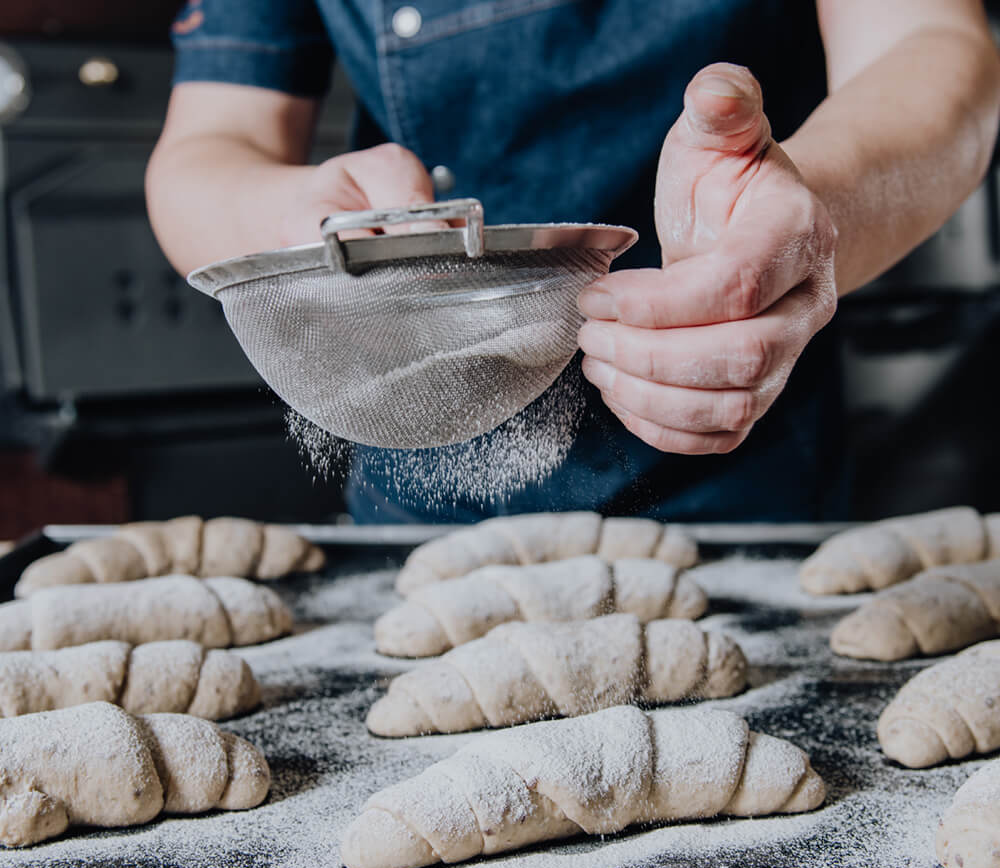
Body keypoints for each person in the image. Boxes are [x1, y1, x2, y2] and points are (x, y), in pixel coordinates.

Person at [147, 0, 1000, 525]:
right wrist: (303, 221)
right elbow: (209, 147)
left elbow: (927, 40)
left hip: (740, 489)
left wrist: (809, 213)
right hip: (417, 509)